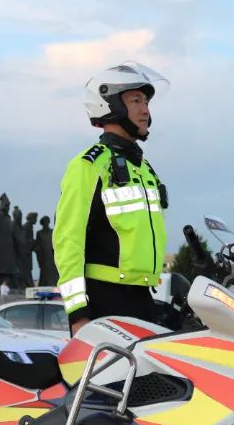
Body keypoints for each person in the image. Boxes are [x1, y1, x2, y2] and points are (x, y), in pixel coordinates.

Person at [53, 61, 170, 336]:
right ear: (110, 105)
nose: (145, 110)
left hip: (142, 298)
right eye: (136, 101)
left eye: (146, 102)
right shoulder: (88, 165)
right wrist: (78, 313)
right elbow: (68, 241)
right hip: (104, 302)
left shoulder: (144, 169)